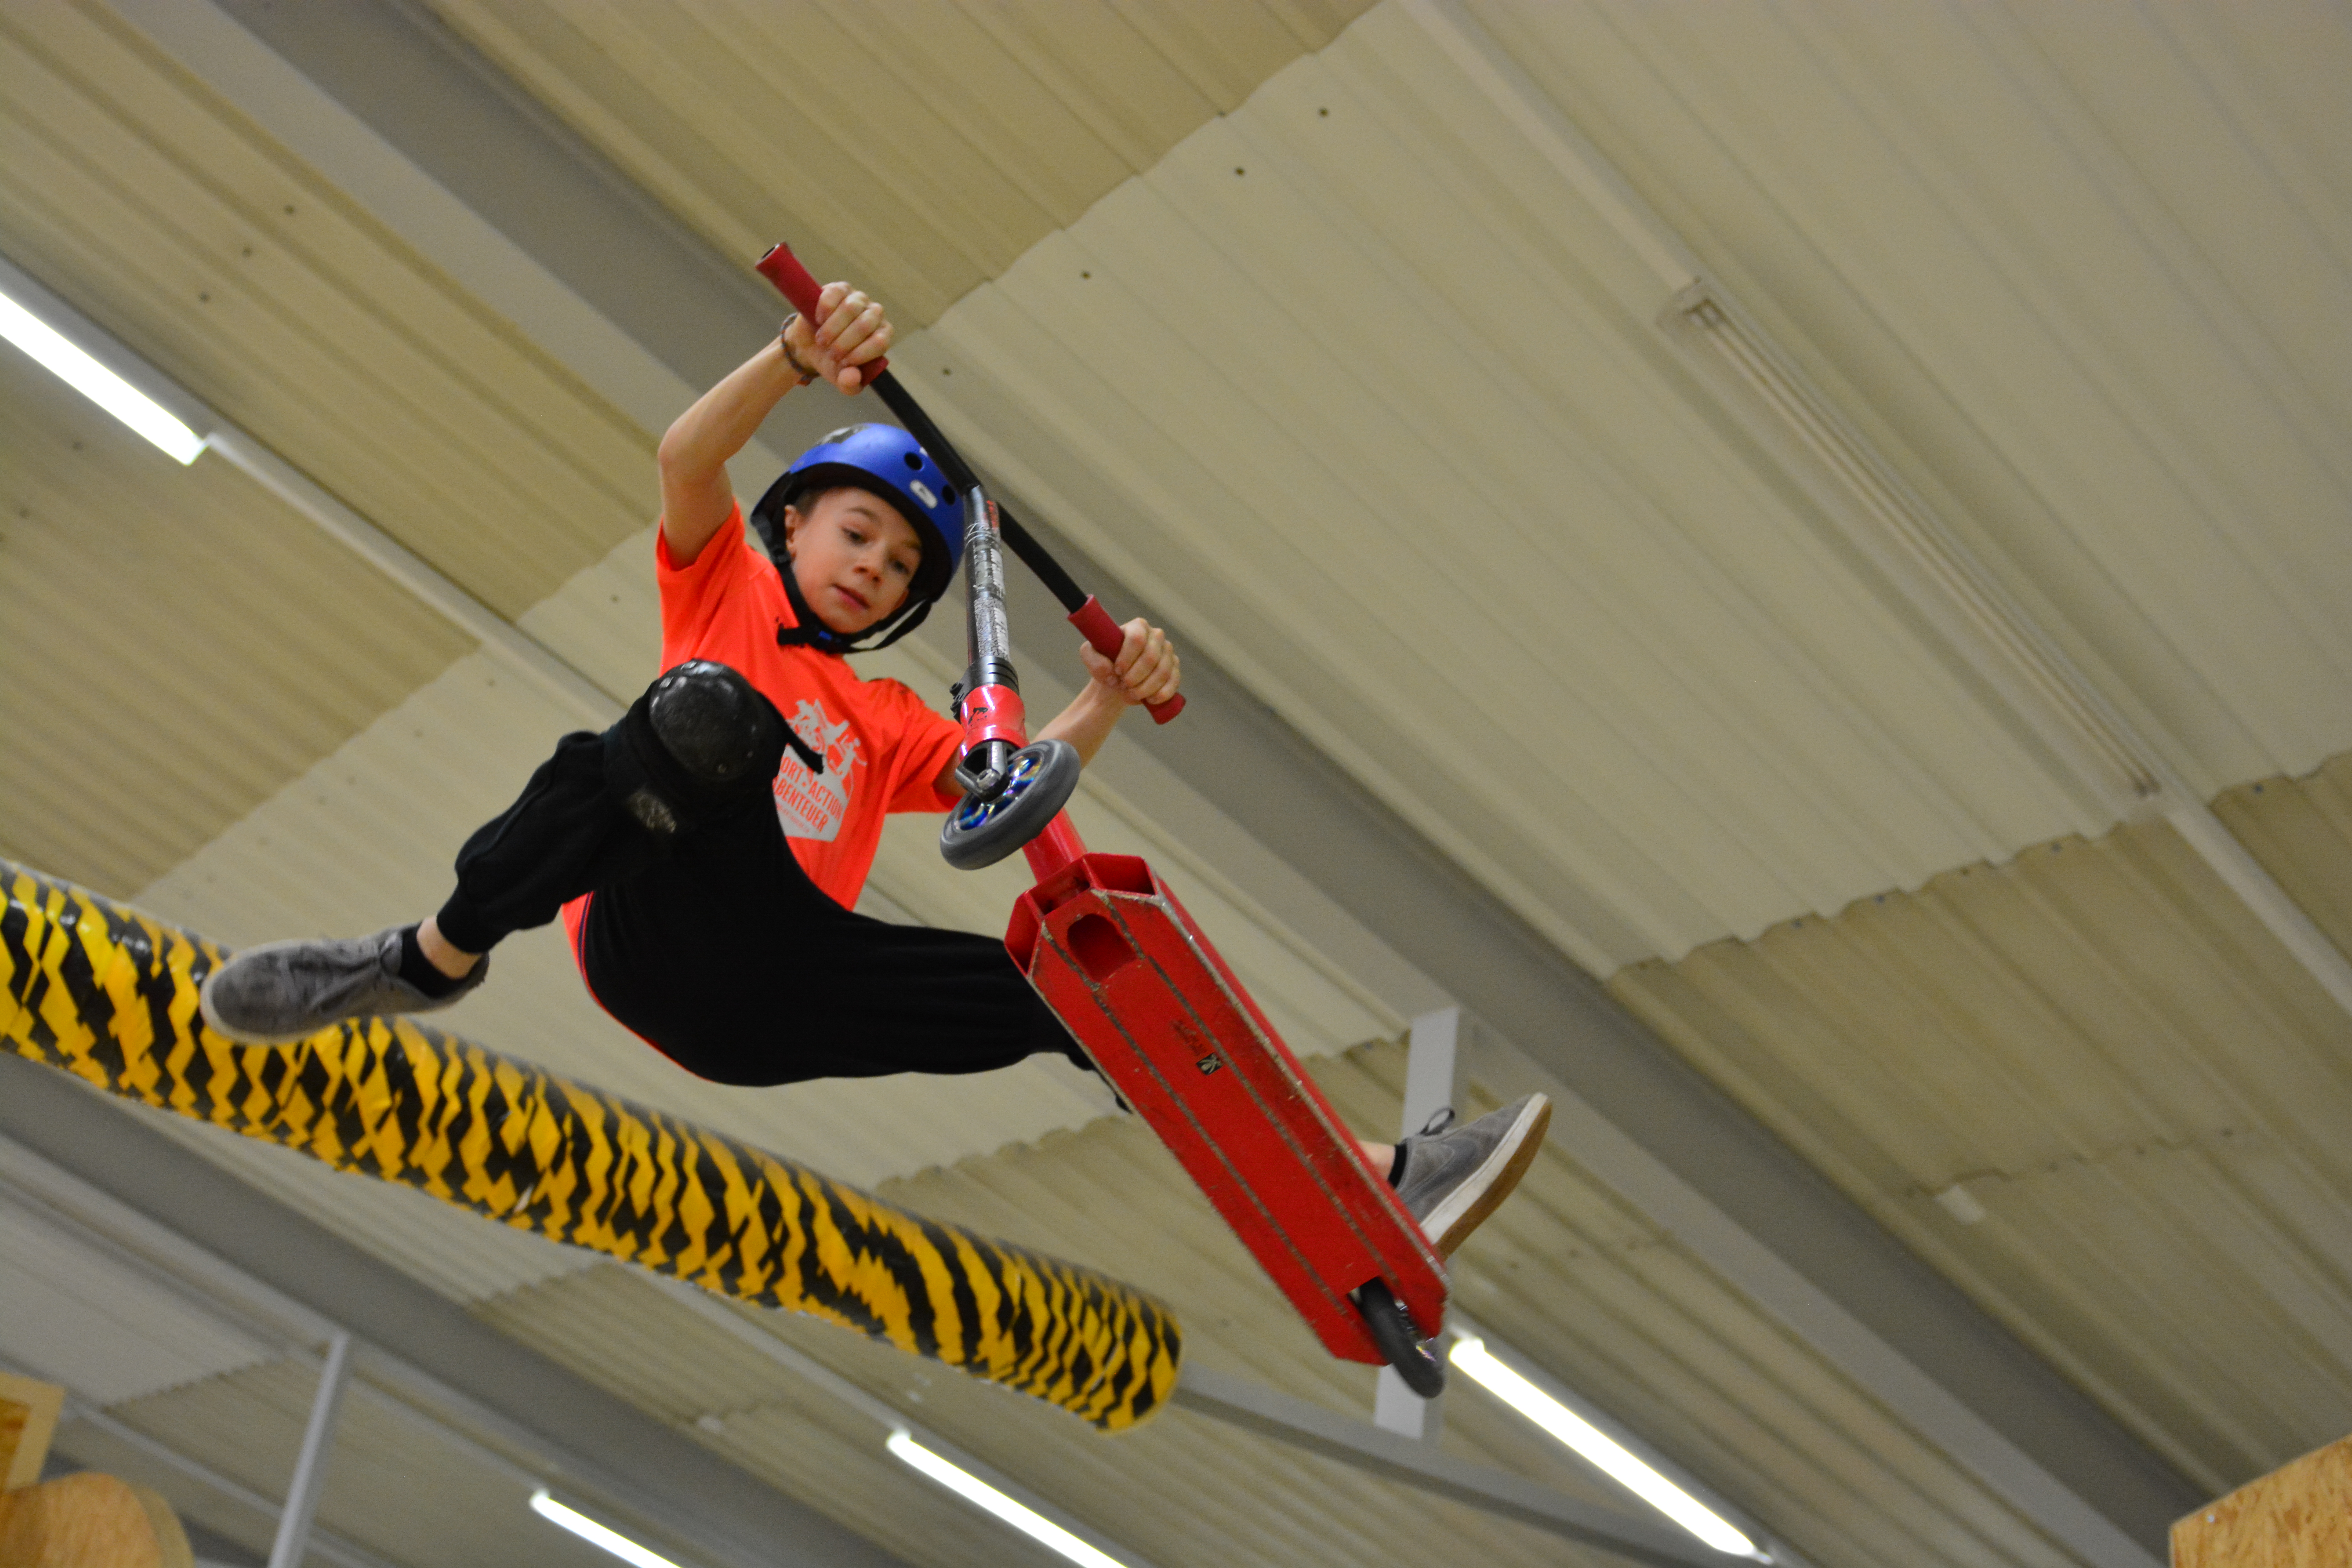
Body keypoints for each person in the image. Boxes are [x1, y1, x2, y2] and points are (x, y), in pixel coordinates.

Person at [199, 280, 1549, 1259]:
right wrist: (794, 357)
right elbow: (686, 456)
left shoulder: (891, 717)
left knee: (1077, 973)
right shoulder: (720, 586)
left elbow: (1012, 784)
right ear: (790, 526)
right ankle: (429, 958)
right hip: (662, 927)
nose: (875, 570)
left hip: (783, 995)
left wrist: (1104, 697)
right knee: (693, 721)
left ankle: (1364, 1179)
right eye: (856, 536)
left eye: (903, 567)